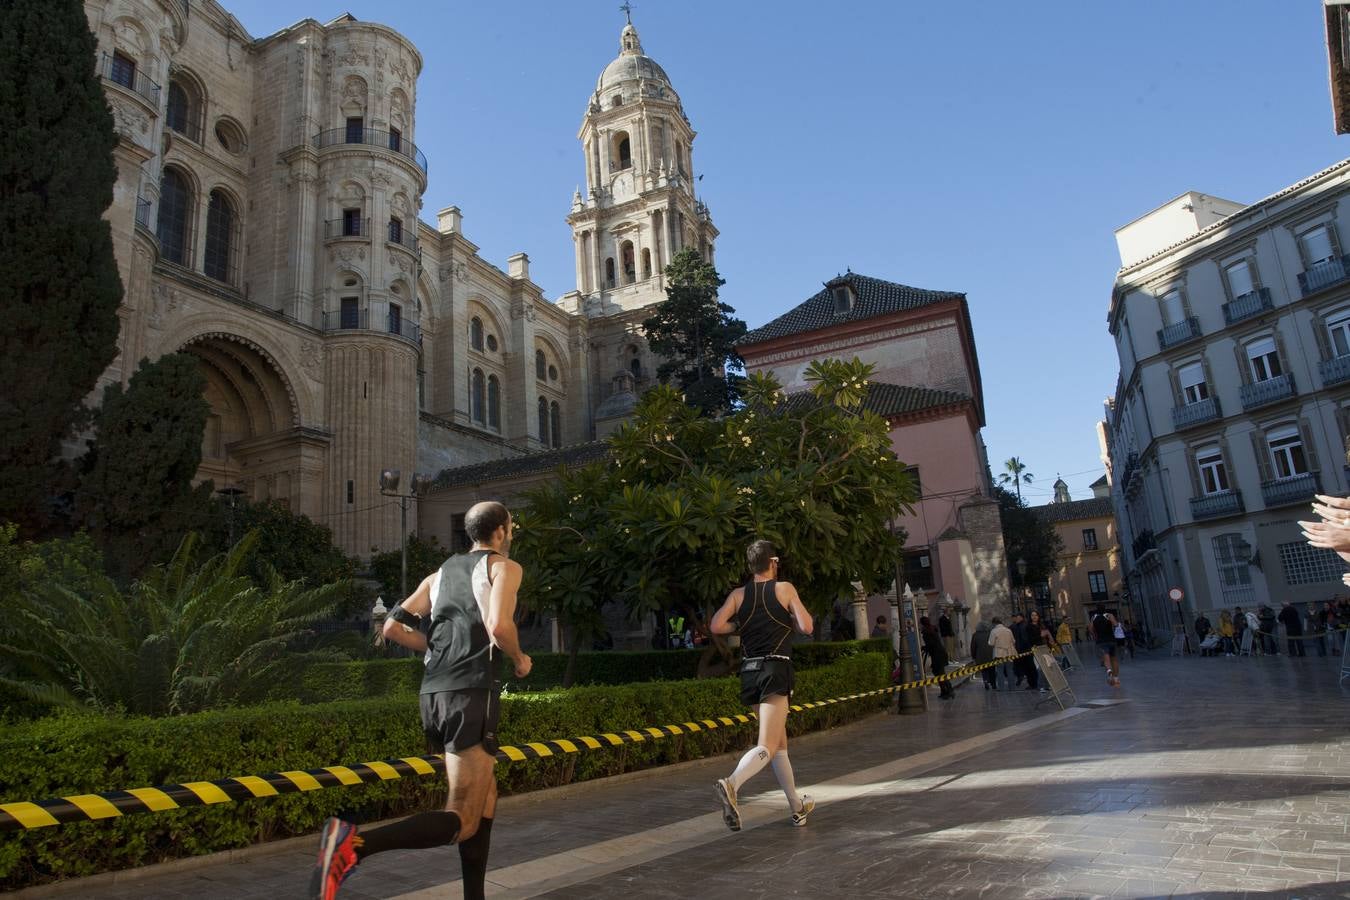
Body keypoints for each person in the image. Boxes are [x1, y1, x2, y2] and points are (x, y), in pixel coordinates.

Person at [310, 501, 531, 900]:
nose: (511, 534)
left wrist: (437, 646)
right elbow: (499, 625)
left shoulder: (439, 575)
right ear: (500, 531)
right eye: (510, 528)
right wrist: (519, 659)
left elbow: (392, 627)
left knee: (486, 798)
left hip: (434, 694)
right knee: (463, 817)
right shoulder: (503, 567)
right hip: (470, 692)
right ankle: (352, 846)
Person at [710, 540, 816, 831]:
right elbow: (807, 627)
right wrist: (792, 618)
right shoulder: (784, 588)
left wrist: (740, 626)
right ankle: (731, 783)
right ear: (773, 563)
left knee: (780, 745)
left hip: (750, 670)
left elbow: (717, 625)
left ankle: (797, 807)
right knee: (767, 745)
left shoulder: (738, 595)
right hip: (775, 668)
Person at [920, 616, 954, 700]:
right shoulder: (933, 629)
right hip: (940, 653)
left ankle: (948, 690)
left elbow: (931, 644)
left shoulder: (926, 632)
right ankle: (945, 690)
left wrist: (924, 648)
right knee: (939, 672)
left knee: (939, 673)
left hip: (937, 654)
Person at [1091, 608, 1119, 687]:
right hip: (1111, 640)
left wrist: (1095, 636)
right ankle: (1116, 679)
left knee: (1106, 658)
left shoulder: (1094, 617)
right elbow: (1116, 624)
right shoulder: (1109, 615)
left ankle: (1109, 672)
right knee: (1114, 659)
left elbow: (1091, 629)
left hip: (1101, 641)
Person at [988, 617, 1016, 689]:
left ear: (994, 623)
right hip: (1009, 653)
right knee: (1010, 670)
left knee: (1000, 671)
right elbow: (1013, 641)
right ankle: (1012, 687)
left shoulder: (994, 631)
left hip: (999, 654)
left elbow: (991, 643)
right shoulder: (1008, 630)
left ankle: (1001, 687)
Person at [971, 620, 996, 690]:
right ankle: (993, 684)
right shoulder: (990, 633)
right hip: (991, 655)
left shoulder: (975, 635)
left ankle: (985, 681)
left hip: (980, 656)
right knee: (992, 670)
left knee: (984, 670)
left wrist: (973, 656)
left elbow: (973, 647)